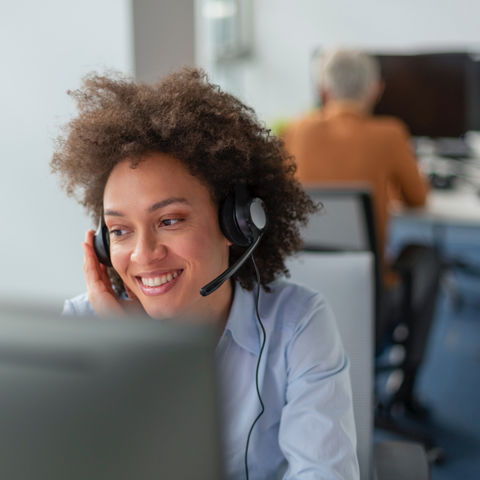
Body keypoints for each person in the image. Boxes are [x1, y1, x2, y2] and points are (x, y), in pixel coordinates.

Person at [51, 68, 359, 479]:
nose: (144, 254)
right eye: (120, 231)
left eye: (171, 220)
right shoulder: (83, 328)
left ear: (237, 225)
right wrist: (128, 354)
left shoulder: (297, 325)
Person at [284, 49, 439, 418]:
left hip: (299, 294)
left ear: (324, 91)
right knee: (428, 258)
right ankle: (405, 389)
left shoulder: (296, 131)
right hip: (370, 301)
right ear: (375, 89)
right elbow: (417, 199)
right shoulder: (389, 134)